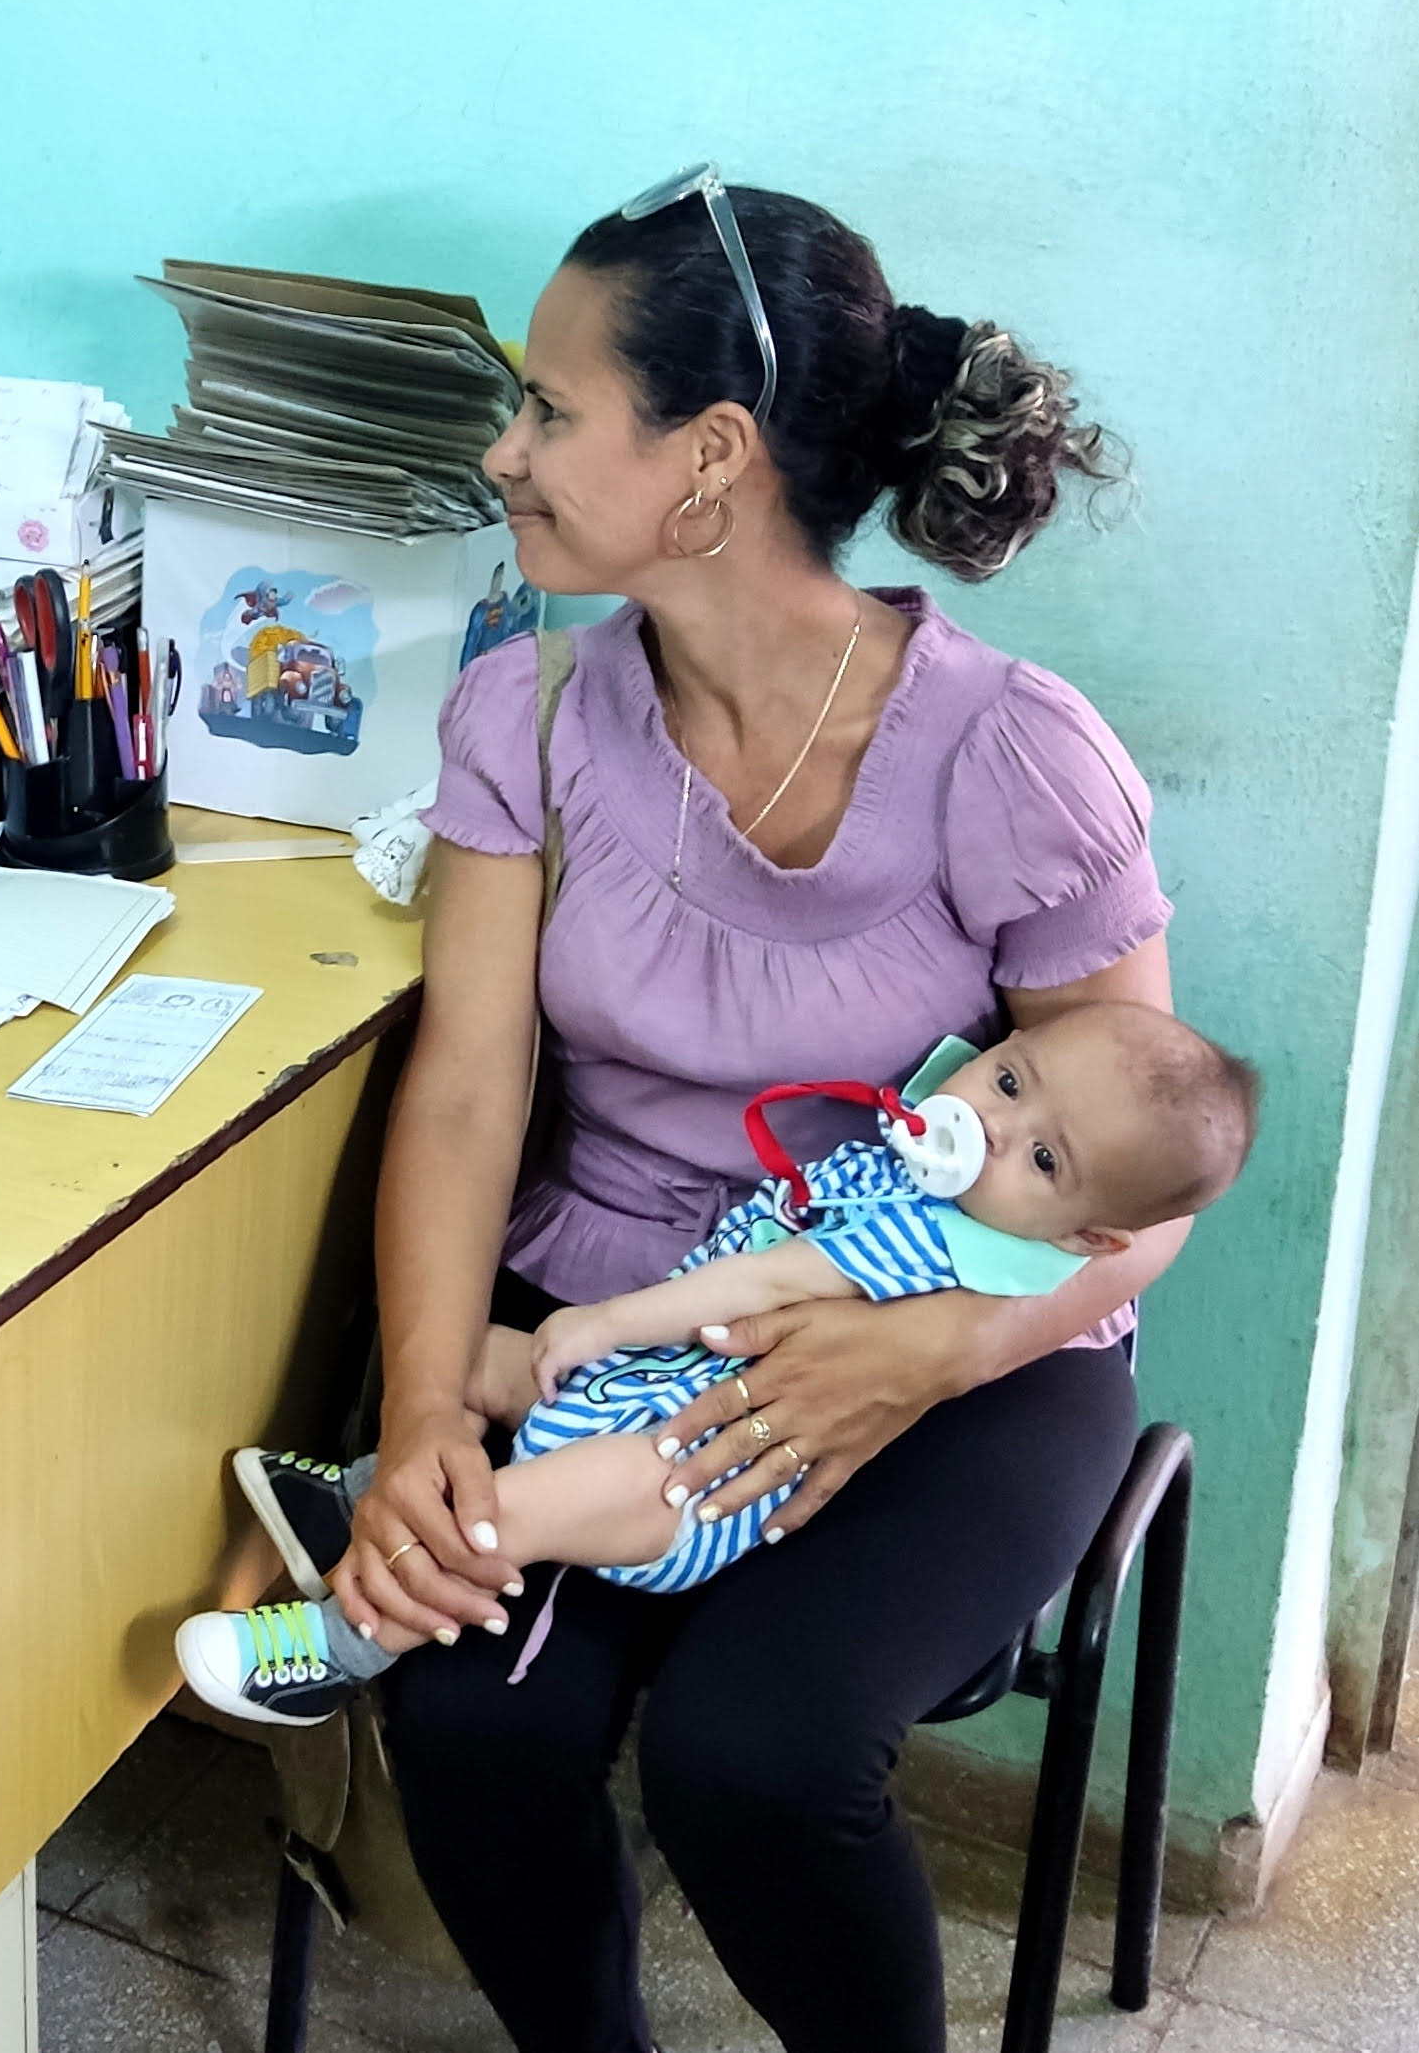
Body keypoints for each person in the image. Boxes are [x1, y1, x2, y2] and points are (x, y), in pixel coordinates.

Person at [331, 171, 1158, 2053]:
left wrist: (923, 1356)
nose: (502, 451)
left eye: (546, 409)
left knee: (755, 1754)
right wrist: (415, 1410)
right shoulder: (522, 723)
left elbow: (1147, 1187)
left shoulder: (1008, 754)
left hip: (967, 1331)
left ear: (706, 457)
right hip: (616, 1316)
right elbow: (466, 1095)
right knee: (463, 1702)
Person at [175, 1001, 1257, 1725]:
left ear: (1083, 1238)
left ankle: (338, 1646)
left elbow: (763, 1283)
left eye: (1046, 1158)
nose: (990, 1125)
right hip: (653, 1386)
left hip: (691, 1468)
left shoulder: (953, 1248)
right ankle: (360, 1493)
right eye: (1011, 1081)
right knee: (462, 1358)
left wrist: (605, 1322)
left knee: (516, 1507)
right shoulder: (916, 1155)